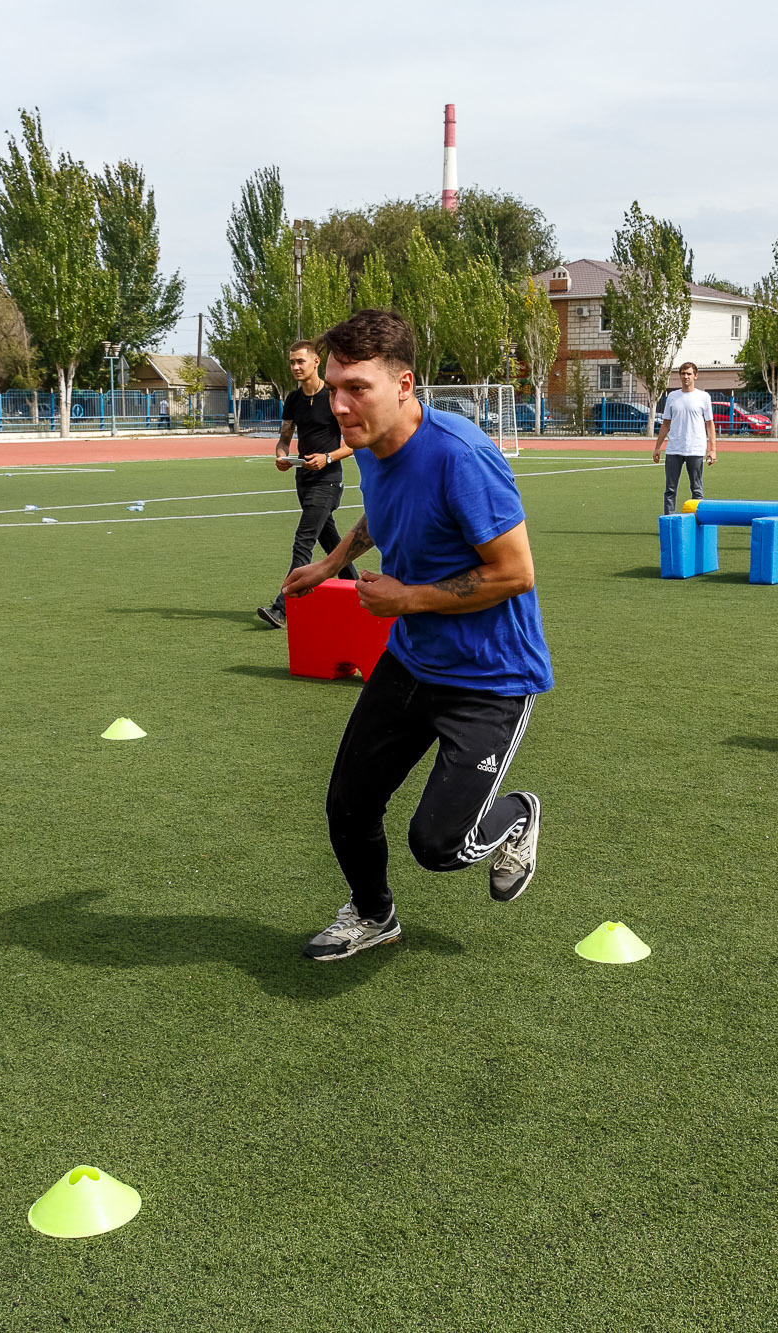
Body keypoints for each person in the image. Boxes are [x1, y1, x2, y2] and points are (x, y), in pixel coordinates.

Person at [280, 309, 551, 962]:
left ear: (404, 384)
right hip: (412, 661)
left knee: (439, 846)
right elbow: (382, 511)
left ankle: (517, 813)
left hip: (490, 678)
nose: (340, 404)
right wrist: (328, 563)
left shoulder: (461, 455)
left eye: (357, 388)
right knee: (348, 803)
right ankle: (374, 915)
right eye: (335, 385)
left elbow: (515, 573)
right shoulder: (373, 442)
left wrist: (406, 598)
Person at [256, 341, 357, 628]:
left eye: (300, 361)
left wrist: (327, 458)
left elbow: (352, 443)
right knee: (332, 543)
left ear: (316, 361)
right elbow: (284, 439)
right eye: (292, 362)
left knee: (304, 540)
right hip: (304, 479)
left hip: (328, 480)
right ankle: (357, 589)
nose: (295, 367)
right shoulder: (293, 399)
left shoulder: (333, 396)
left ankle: (282, 607)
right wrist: (281, 456)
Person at [654, 361, 716, 515]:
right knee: (670, 489)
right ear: (679, 376)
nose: (686, 376)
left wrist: (713, 449)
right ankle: (669, 522)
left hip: (695, 449)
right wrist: (657, 447)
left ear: (695, 376)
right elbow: (666, 424)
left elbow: (709, 424)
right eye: (683, 373)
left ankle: (697, 523)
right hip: (674, 448)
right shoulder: (673, 397)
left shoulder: (703, 397)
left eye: (689, 374)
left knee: (696, 489)